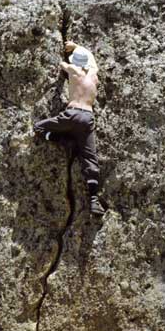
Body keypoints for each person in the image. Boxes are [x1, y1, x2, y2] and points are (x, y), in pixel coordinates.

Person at [34, 41, 106, 216]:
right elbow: (91, 58)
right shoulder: (94, 74)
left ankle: (63, 141)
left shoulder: (72, 70)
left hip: (71, 115)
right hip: (87, 118)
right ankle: (94, 200)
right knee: (90, 159)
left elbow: (60, 64)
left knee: (38, 128)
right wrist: (77, 46)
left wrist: (66, 50)